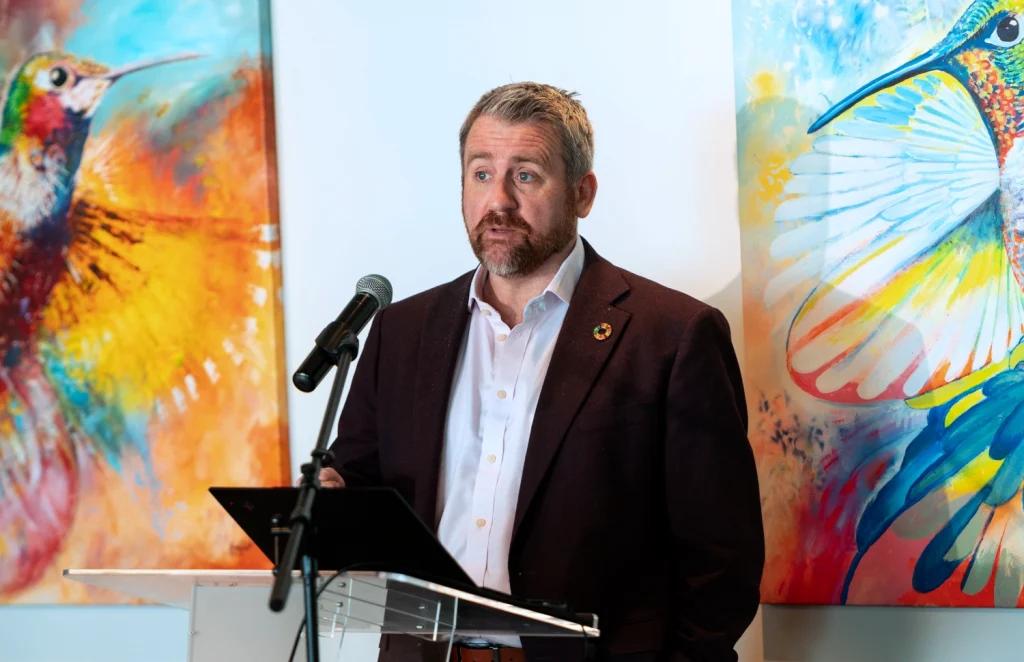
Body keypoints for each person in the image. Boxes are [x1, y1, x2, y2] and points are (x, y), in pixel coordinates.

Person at [318, 82, 765, 662]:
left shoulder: (673, 335)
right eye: (481, 174)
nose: (498, 200)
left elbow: (721, 557)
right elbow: (358, 478)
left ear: (583, 193)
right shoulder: (401, 332)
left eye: (525, 175)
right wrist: (334, 493)